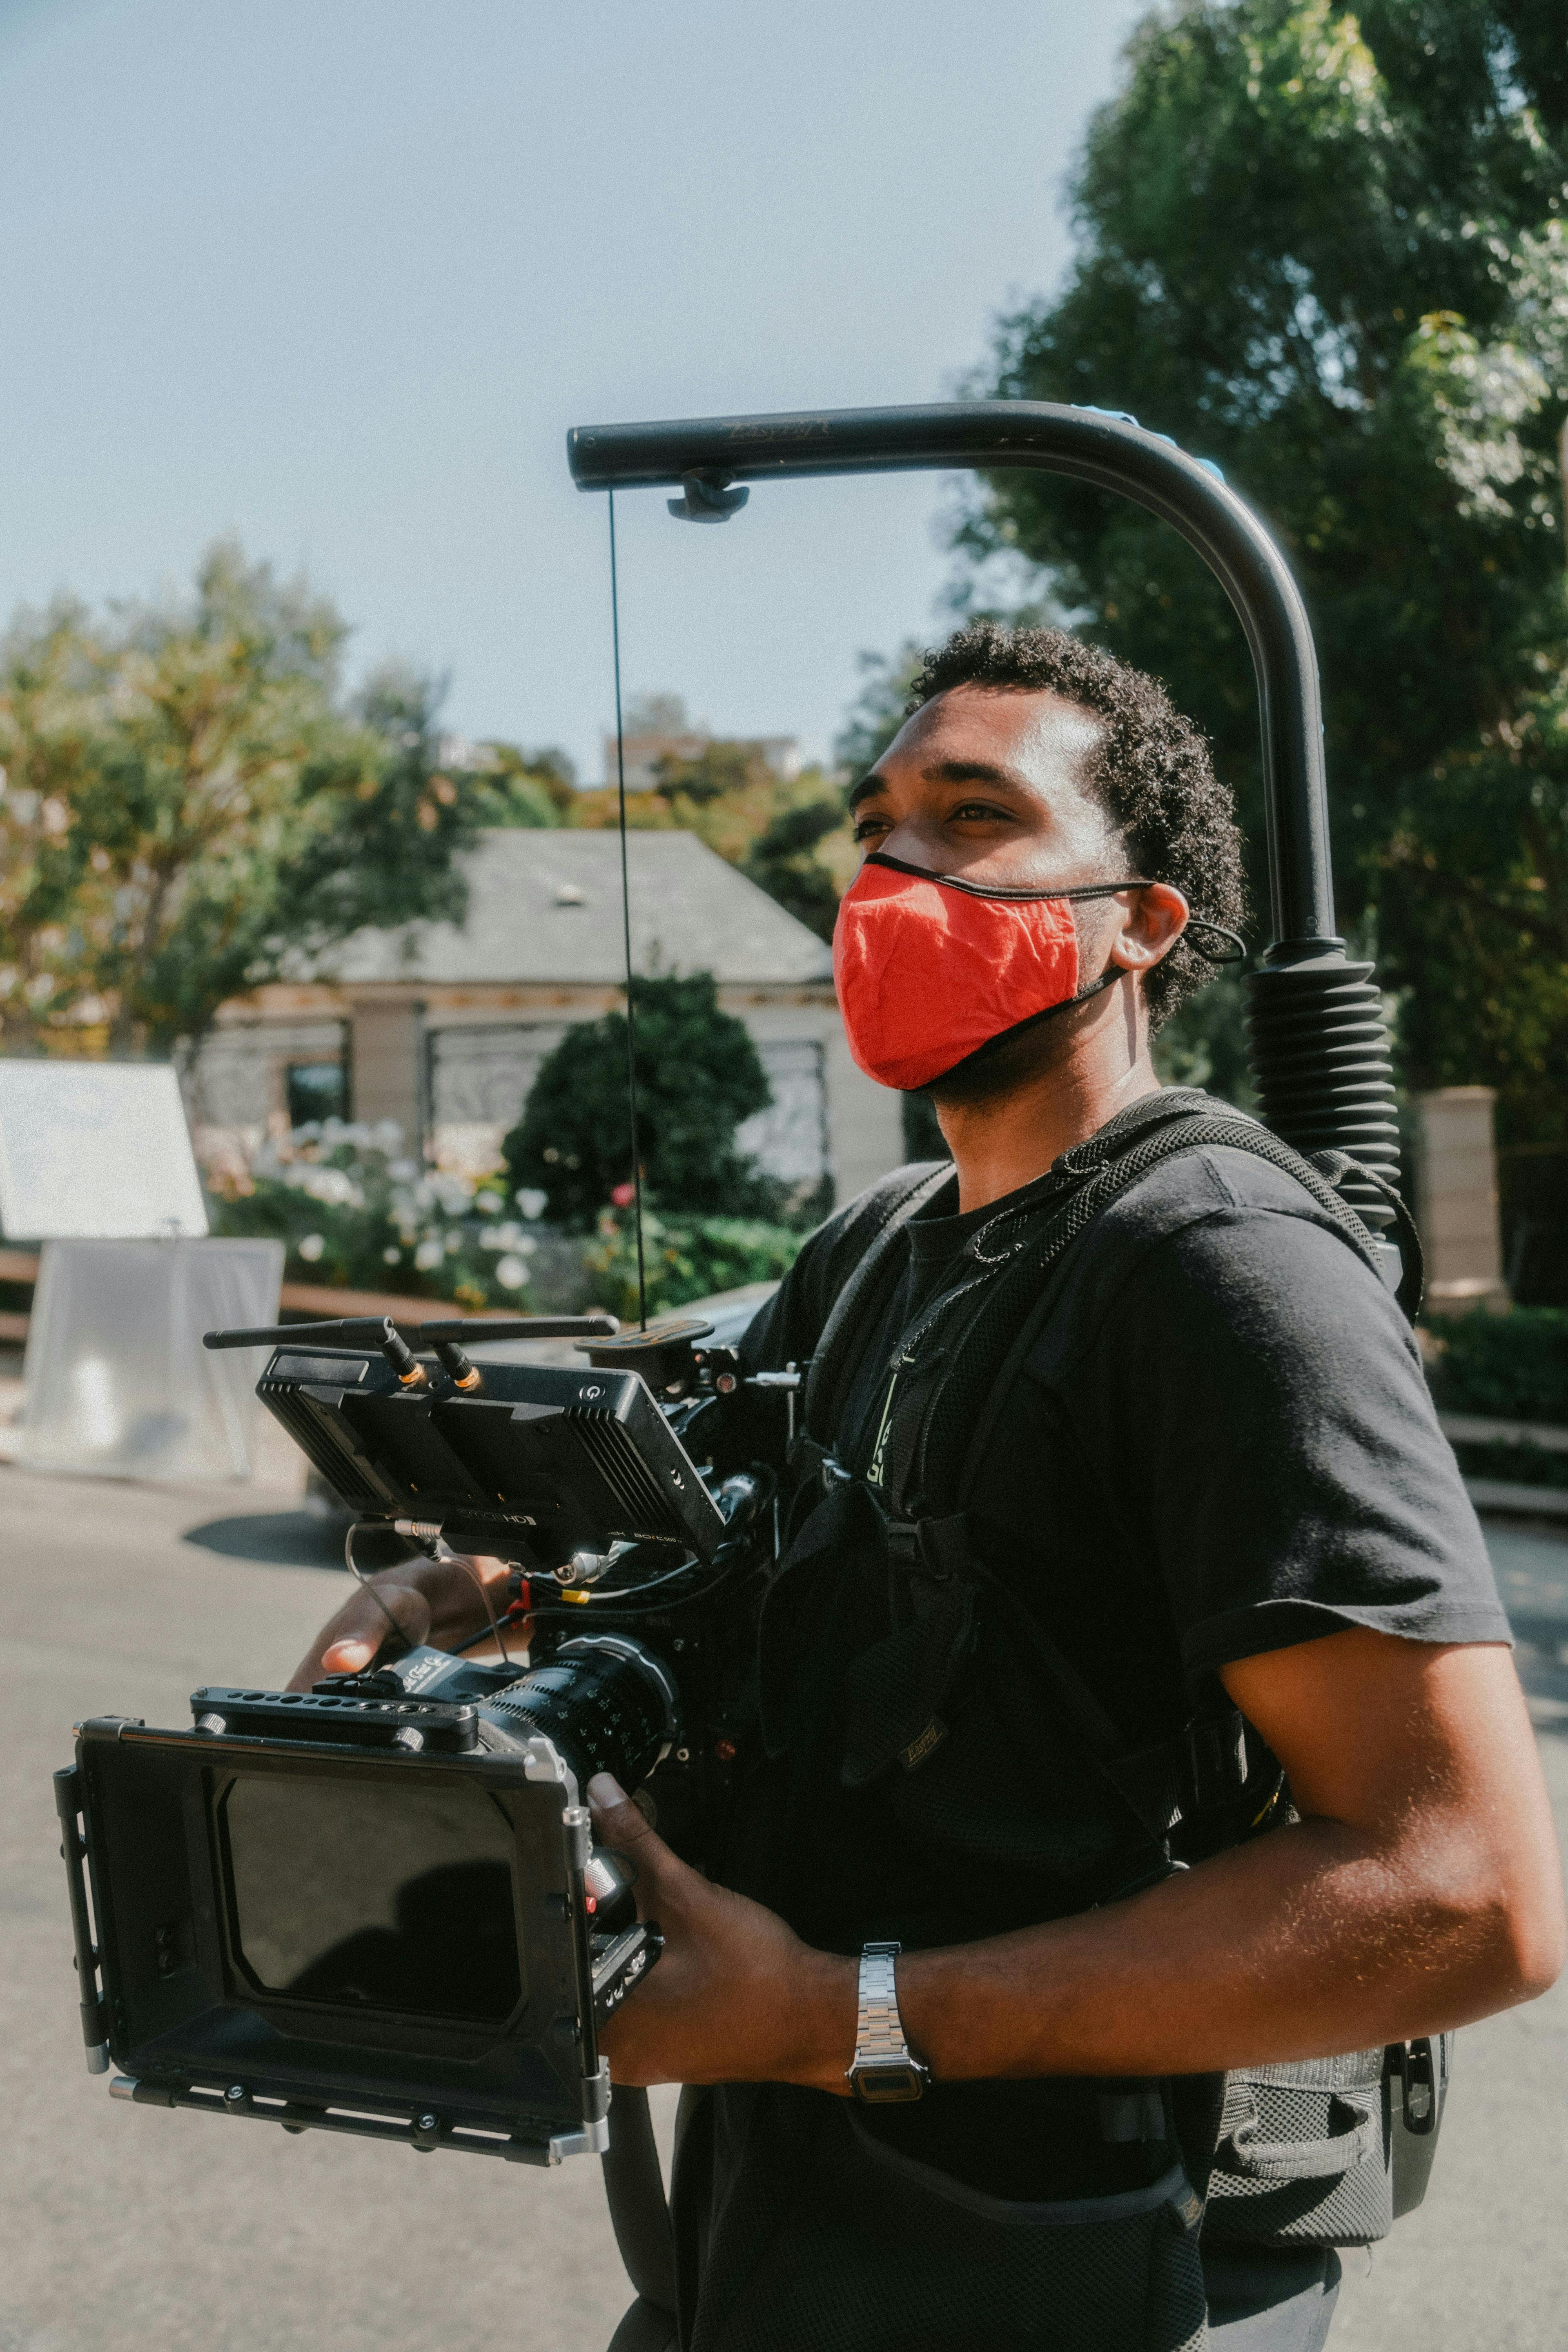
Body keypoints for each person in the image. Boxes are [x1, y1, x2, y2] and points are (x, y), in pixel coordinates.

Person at [291, 624, 1564, 2352]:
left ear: (1139, 921)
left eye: (974, 818)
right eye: (875, 821)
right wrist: (500, 1602)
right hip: (784, 2226)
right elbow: (724, 1570)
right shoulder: (875, 1250)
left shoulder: (1222, 1266)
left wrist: (839, 2016)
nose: (896, 872)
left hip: (1082, 2252)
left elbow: (1464, 1891)